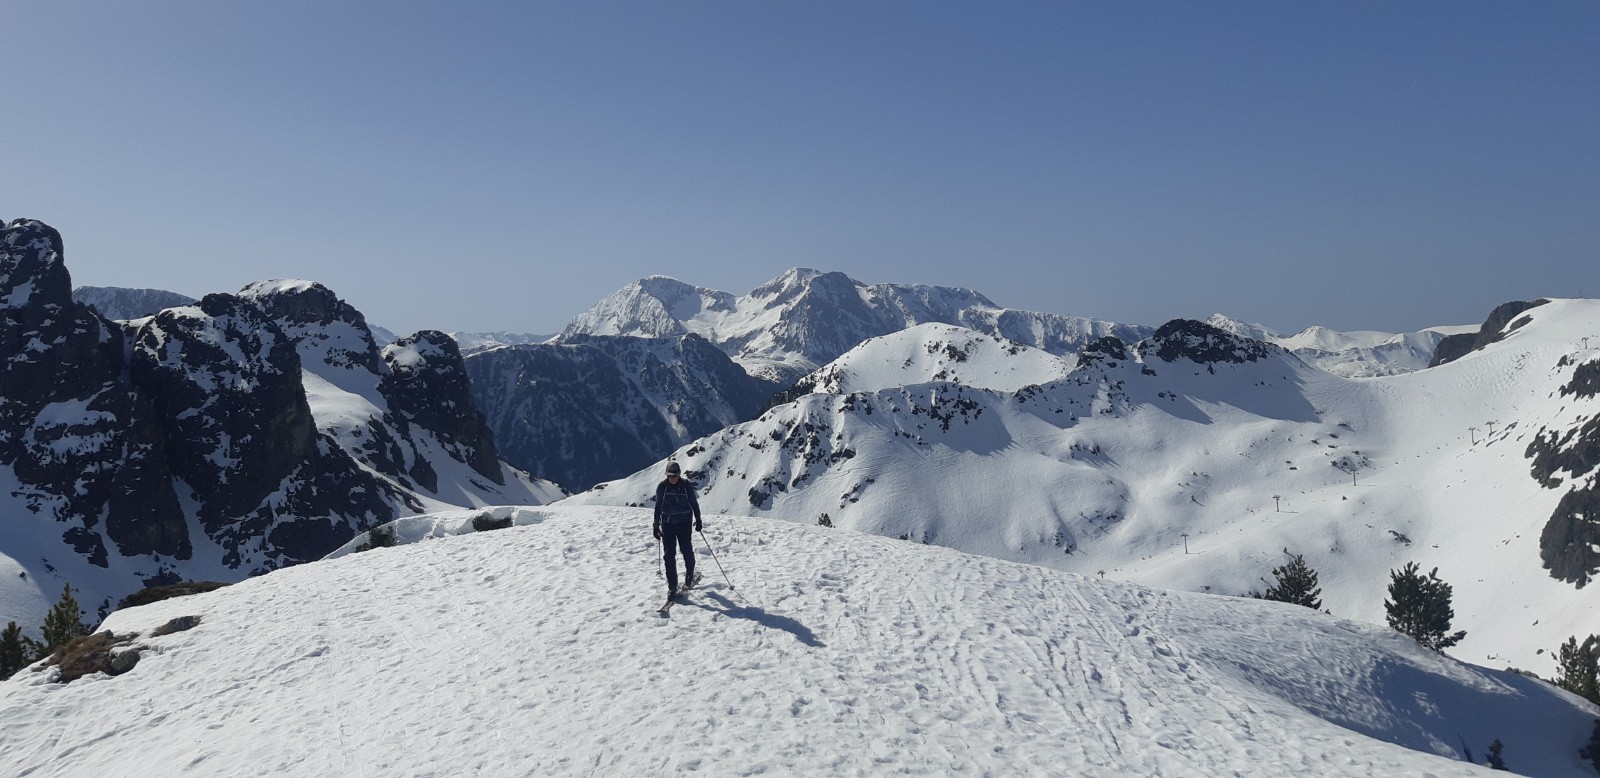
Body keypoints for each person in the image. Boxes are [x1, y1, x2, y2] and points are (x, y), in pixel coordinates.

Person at [652, 461, 701, 598]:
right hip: (667, 524)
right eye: (670, 475)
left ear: (679, 475)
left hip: (684, 523)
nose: (673, 478)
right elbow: (657, 507)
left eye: (675, 476)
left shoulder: (686, 486)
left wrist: (698, 519)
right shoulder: (662, 487)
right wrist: (656, 525)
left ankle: (689, 574)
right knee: (669, 555)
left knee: (686, 550)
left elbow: (694, 503)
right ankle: (672, 586)